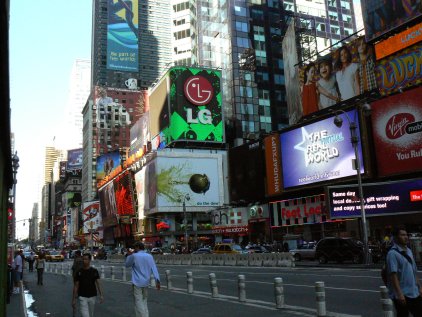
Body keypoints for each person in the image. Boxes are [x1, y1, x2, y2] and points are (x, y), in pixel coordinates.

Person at [386, 226, 422, 316]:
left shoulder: (409, 251)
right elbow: (393, 276)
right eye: (402, 235)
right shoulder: (392, 254)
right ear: (396, 238)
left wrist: (419, 287)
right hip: (402, 294)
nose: (406, 237)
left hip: (414, 292)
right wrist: (399, 294)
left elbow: (414, 271)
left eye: (406, 235)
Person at [125, 242, 160, 317]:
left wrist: (129, 255)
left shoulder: (134, 256)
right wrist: (157, 280)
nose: (134, 249)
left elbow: (127, 265)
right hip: (146, 282)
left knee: (138, 302)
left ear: (137, 247)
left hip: (137, 282)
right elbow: (154, 268)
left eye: (135, 248)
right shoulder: (149, 256)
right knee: (144, 301)